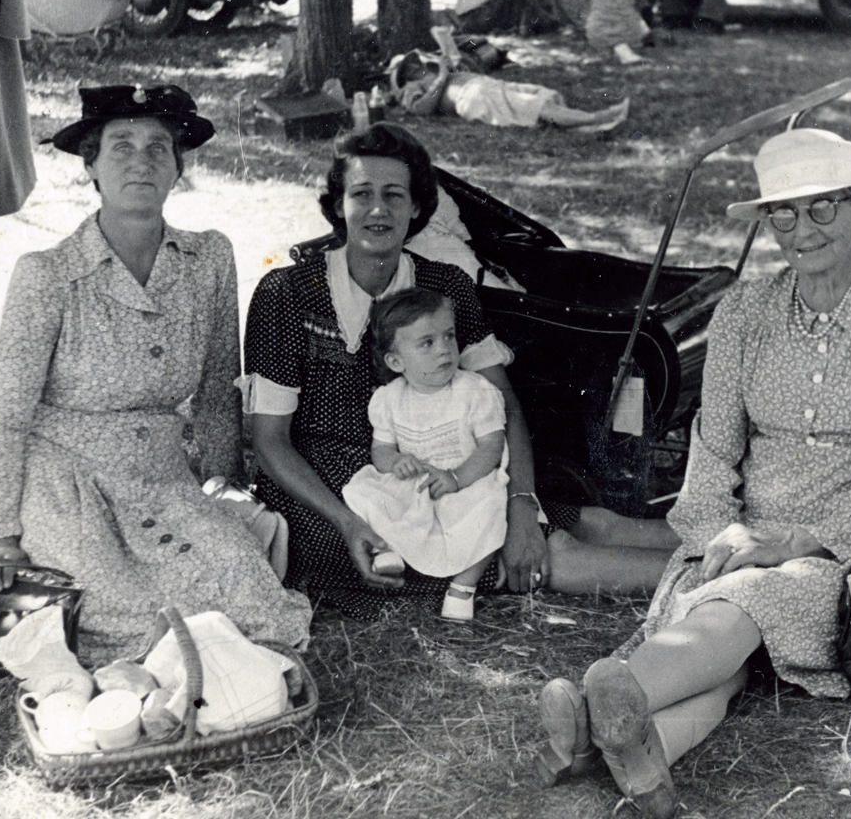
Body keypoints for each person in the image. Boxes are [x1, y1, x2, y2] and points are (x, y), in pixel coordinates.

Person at [533, 129, 851, 818]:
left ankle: (584, 716)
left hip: (848, 550)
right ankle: (642, 760)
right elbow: (714, 451)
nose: (801, 229)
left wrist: (784, 546)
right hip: (738, 536)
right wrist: (712, 539)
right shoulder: (744, 312)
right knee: (724, 657)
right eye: (782, 212)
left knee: (748, 604)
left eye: (822, 208)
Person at [242, 121, 678, 620]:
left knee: (591, 522)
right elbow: (270, 442)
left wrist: (520, 505)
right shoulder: (287, 293)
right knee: (549, 554)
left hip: (443, 472)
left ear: (417, 207)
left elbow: (504, 406)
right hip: (328, 495)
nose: (378, 209)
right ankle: (730, 574)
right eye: (361, 194)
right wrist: (345, 521)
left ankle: (755, 543)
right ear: (338, 205)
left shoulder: (442, 285)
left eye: (395, 194)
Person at [0, 85, 313, 660]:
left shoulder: (209, 259)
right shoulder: (48, 275)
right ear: (91, 166)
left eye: (159, 147)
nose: (141, 161)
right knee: (126, 619)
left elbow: (218, 391)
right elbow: (2, 414)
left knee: (249, 594)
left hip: (164, 480)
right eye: (120, 145)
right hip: (68, 485)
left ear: (179, 168)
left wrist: (224, 489)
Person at [341, 289, 508, 621]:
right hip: (417, 483)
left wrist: (457, 478)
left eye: (449, 336)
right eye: (427, 343)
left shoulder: (473, 390)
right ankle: (388, 548)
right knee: (366, 493)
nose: (444, 348)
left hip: (466, 479)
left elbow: (492, 446)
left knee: (488, 510)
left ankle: (463, 586)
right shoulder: (389, 399)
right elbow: (382, 450)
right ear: (396, 362)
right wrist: (395, 463)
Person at [387, 25, 629, 131]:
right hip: (473, 97)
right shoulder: (411, 88)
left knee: (543, 95)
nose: (416, 64)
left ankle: (577, 125)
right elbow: (421, 109)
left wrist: (452, 61)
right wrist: (441, 75)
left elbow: (470, 65)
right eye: (409, 65)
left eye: (414, 60)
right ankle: (598, 118)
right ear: (403, 76)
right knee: (536, 107)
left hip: (486, 85)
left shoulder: (431, 68)